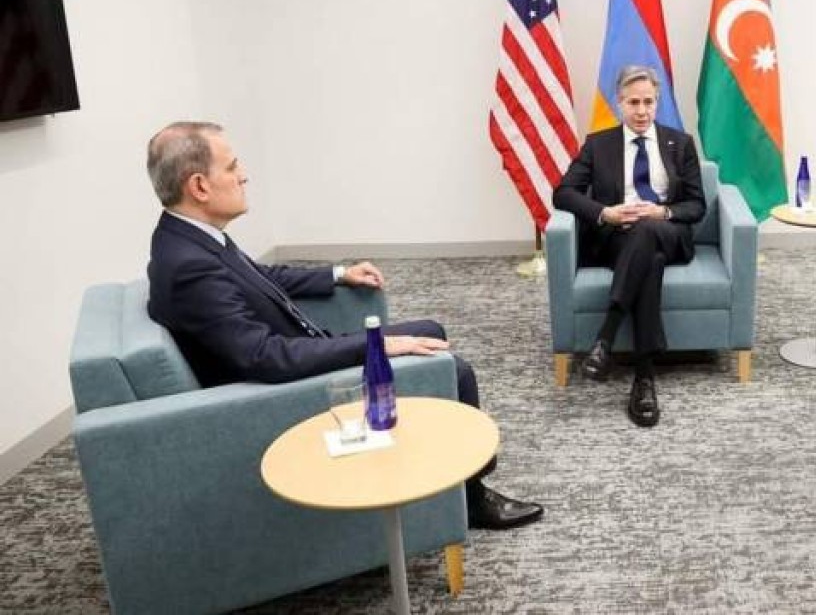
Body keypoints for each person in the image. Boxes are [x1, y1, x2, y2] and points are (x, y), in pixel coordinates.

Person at [145, 121, 543, 530]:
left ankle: (453, 477)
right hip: (285, 393)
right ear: (199, 186)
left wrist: (337, 274)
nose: (243, 175)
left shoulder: (191, 239)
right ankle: (471, 497)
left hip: (296, 355)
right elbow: (264, 356)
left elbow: (259, 278)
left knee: (430, 331)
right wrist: (371, 348)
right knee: (453, 369)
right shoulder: (190, 266)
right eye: (231, 167)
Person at [552, 65, 706, 427]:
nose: (641, 111)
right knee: (649, 259)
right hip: (617, 239)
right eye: (633, 102)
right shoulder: (598, 144)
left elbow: (697, 205)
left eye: (648, 102)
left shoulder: (680, 143)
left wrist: (662, 211)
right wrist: (605, 213)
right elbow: (563, 193)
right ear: (619, 103)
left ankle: (606, 335)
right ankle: (644, 377)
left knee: (649, 230)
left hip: (669, 233)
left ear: (657, 102)